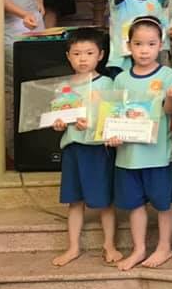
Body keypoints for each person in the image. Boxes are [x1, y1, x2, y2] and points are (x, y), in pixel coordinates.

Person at [108, 16, 172, 271]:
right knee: (134, 205)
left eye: (151, 44)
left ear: (160, 45)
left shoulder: (168, 75)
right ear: (128, 46)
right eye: (138, 44)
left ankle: (164, 247)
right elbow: (114, 115)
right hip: (128, 156)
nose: (144, 50)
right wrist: (111, 135)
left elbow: (169, 111)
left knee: (163, 203)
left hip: (158, 155)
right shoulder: (121, 79)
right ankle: (138, 249)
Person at [50, 28, 120, 267]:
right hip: (73, 149)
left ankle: (109, 245)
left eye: (89, 53)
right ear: (68, 56)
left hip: (97, 149)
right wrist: (59, 124)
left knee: (104, 200)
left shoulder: (107, 83)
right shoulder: (63, 87)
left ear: (100, 55)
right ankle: (73, 247)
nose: (83, 58)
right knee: (74, 200)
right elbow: (58, 120)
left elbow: (113, 116)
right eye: (77, 53)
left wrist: (94, 126)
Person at [3, 0, 47, 157]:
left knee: (37, 83)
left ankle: (36, 143)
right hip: (14, 27)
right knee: (16, 86)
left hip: (33, 21)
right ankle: (14, 148)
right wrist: (23, 14)